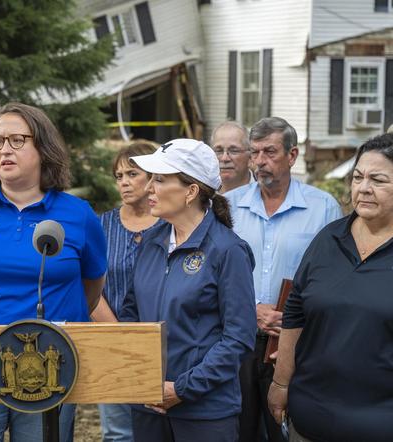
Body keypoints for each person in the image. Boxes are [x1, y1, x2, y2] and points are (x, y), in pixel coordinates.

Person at [0, 102, 107, 442]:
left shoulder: (77, 214)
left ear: (42, 147)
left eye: (17, 140)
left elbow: (91, 289)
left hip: (50, 362)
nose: (4, 150)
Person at [121, 138, 257, 442]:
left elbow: (238, 337)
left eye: (159, 180)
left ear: (191, 191)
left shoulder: (228, 251)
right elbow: (131, 313)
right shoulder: (151, 242)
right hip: (148, 406)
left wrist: (182, 389)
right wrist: (141, 376)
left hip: (204, 413)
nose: (148, 189)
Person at [268, 133, 393, 442]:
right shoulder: (329, 238)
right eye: (358, 177)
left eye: (377, 180)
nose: (363, 188)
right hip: (310, 420)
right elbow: (295, 309)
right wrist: (281, 383)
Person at [223, 117, 342, 442]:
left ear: (292, 155)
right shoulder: (228, 207)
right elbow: (216, 273)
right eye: (255, 152)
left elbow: (334, 278)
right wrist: (252, 309)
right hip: (236, 341)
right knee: (237, 430)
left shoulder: (323, 209)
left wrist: (291, 319)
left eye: (270, 152)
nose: (260, 161)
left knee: (286, 430)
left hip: (293, 345)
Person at [91, 141, 162, 442]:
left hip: (163, 345)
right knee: (118, 433)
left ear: (153, 176)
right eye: (119, 175)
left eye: (132, 173)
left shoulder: (171, 225)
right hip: (112, 341)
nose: (123, 182)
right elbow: (90, 287)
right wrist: (120, 336)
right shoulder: (101, 226)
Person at [210, 121, 254, 193]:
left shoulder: (265, 195)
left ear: (250, 157)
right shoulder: (200, 195)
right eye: (219, 151)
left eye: (234, 151)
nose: (224, 158)